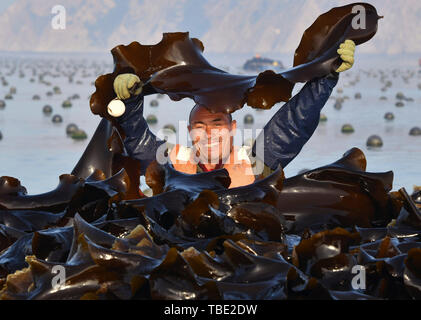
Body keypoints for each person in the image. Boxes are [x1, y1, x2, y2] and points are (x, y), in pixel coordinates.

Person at [109, 40, 356, 188]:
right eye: (200, 126)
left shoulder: (256, 162)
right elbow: (139, 143)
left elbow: (294, 124)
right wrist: (130, 101)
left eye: (217, 123)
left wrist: (327, 75)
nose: (208, 134)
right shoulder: (173, 160)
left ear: (233, 128)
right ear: (189, 132)